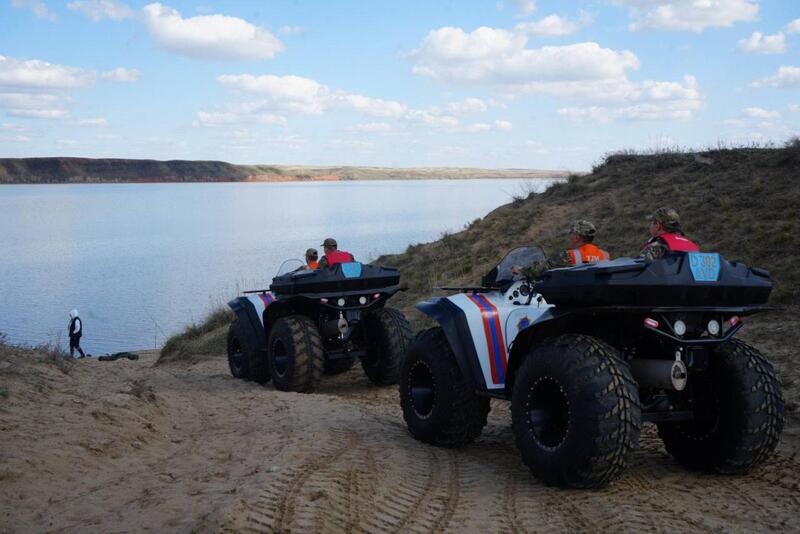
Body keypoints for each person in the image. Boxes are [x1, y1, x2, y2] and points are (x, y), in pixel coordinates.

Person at [512, 220, 610, 279]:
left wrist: (521, 270)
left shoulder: (570, 256)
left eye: (571, 233)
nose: (569, 236)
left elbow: (539, 270)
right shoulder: (605, 255)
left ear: (576, 238)